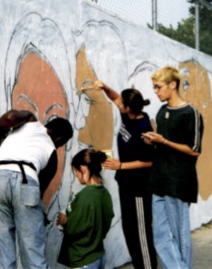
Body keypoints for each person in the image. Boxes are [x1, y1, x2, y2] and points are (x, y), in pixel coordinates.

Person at [0, 109, 73, 269]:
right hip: (26, 178)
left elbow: (10, 117)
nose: (58, 147)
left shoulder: (30, 121)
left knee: (1, 253)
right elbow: (36, 195)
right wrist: (39, 216)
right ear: (59, 139)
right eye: (61, 144)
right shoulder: (52, 155)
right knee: (33, 254)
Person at [142, 66, 203, 269]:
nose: (156, 91)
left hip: (179, 182)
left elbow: (194, 150)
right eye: (154, 88)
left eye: (158, 87)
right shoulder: (161, 111)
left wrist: (165, 141)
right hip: (159, 180)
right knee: (160, 235)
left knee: (179, 235)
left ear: (172, 84)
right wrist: (154, 141)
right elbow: (164, 142)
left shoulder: (191, 113)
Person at [92, 80, 157, 269]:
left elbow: (149, 161)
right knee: (129, 230)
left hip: (139, 188)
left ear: (129, 108)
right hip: (126, 185)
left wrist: (120, 165)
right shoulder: (128, 115)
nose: (118, 104)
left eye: (122, 104)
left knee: (141, 233)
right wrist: (104, 87)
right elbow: (115, 97)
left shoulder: (144, 128)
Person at [57, 148, 114, 269]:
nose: (76, 176)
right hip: (98, 254)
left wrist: (64, 221)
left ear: (83, 169)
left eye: (75, 172)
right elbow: (107, 221)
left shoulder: (84, 197)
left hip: (82, 258)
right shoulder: (105, 193)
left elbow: (73, 228)